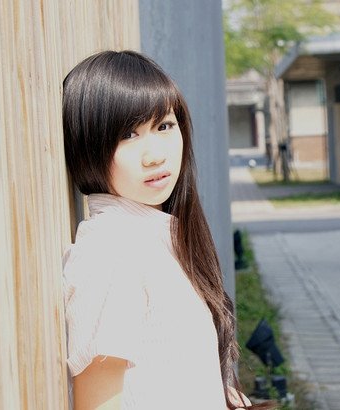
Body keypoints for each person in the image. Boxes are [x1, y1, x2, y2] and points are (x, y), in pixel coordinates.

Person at [62, 51, 274, 410]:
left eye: (164, 126)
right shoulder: (112, 250)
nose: (155, 156)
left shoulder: (155, 236)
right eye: (128, 135)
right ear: (89, 146)